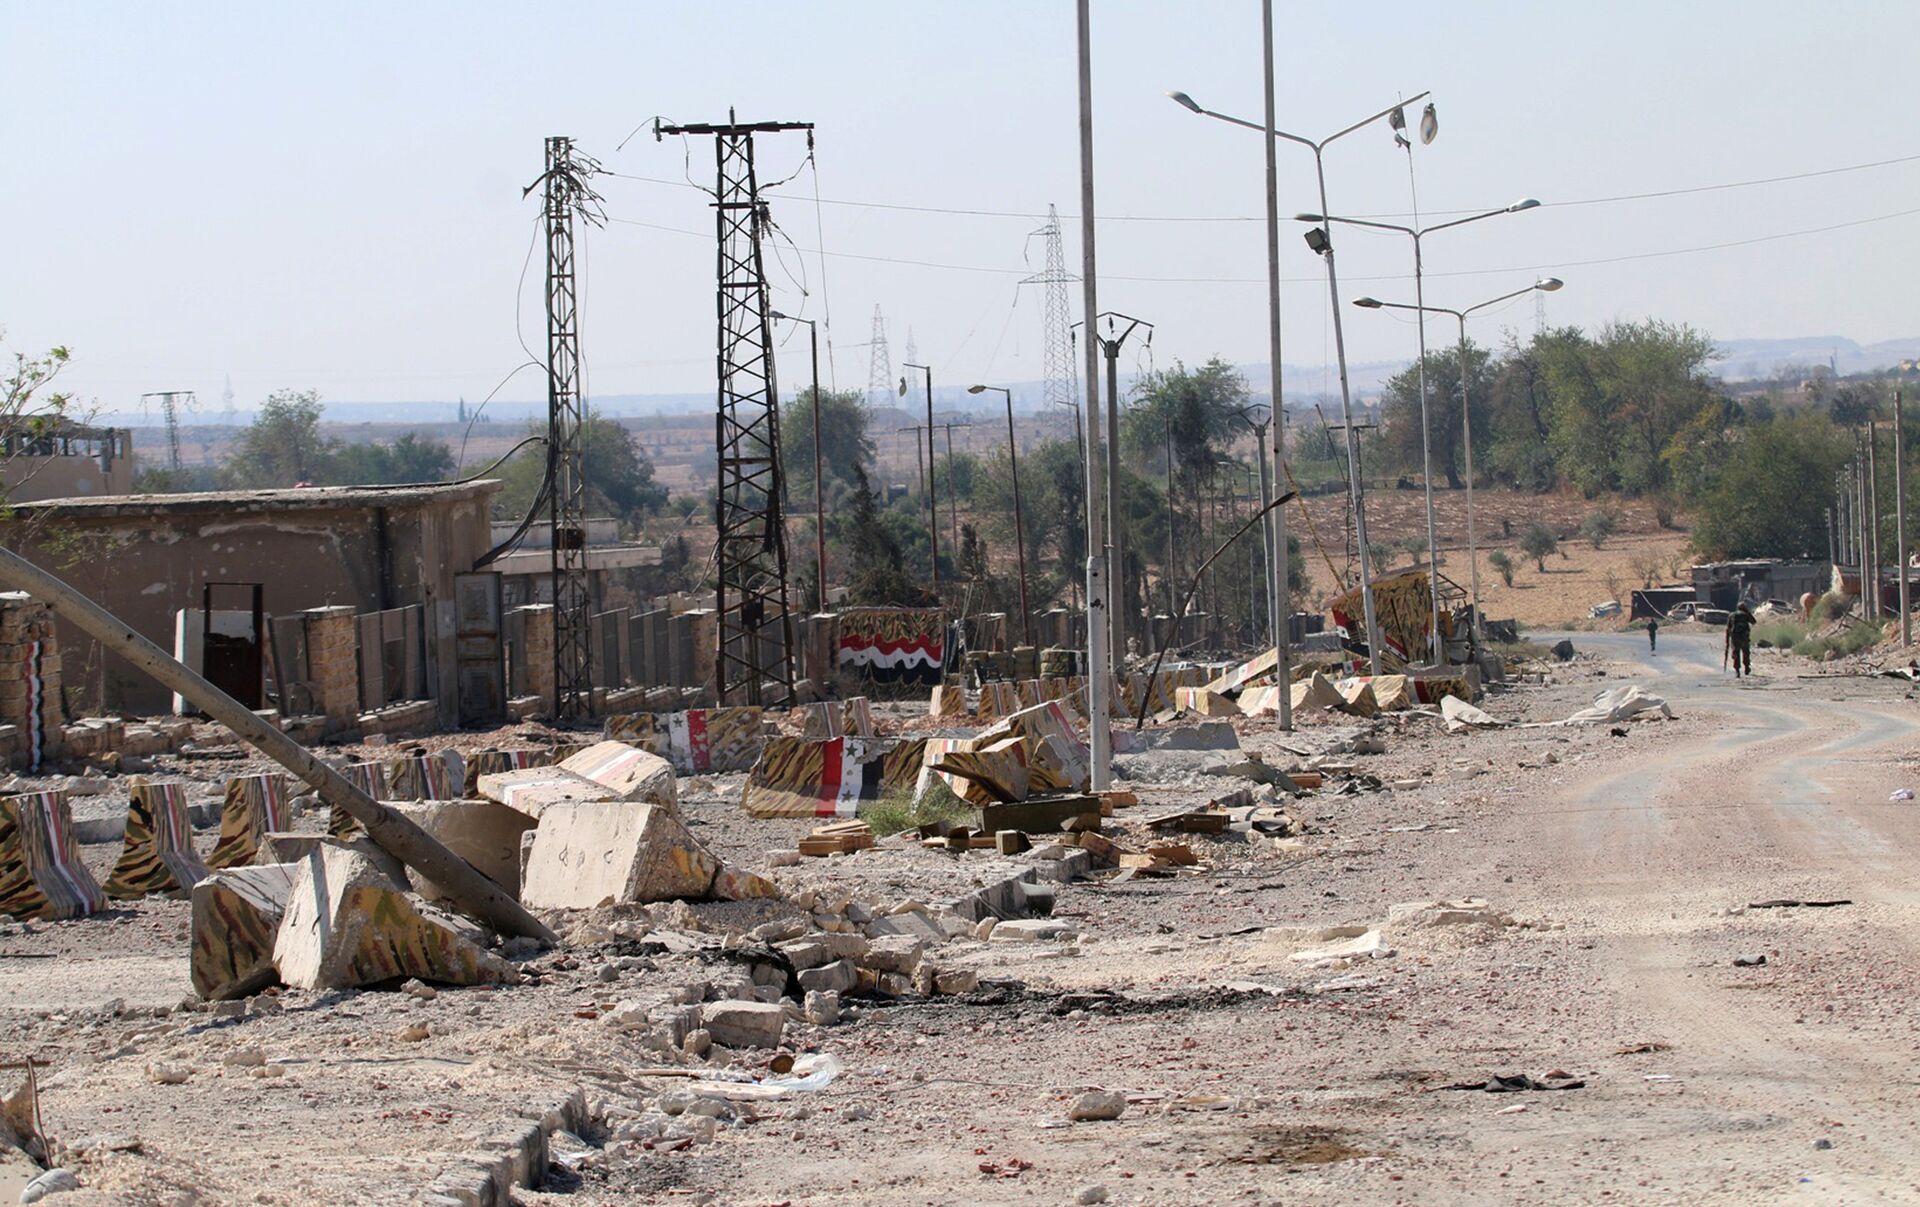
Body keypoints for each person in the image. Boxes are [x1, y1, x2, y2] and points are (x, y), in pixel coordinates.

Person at [1725, 602, 1754, 677]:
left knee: (1736, 653)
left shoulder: (1731, 615)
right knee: (1746, 652)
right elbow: (1753, 621)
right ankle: (1747, 667)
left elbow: (1728, 628)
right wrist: (1748, 612)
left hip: (1735, 637)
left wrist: (1727, 640)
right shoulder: (1746, 614)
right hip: (1744, 637)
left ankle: (1737, 670)